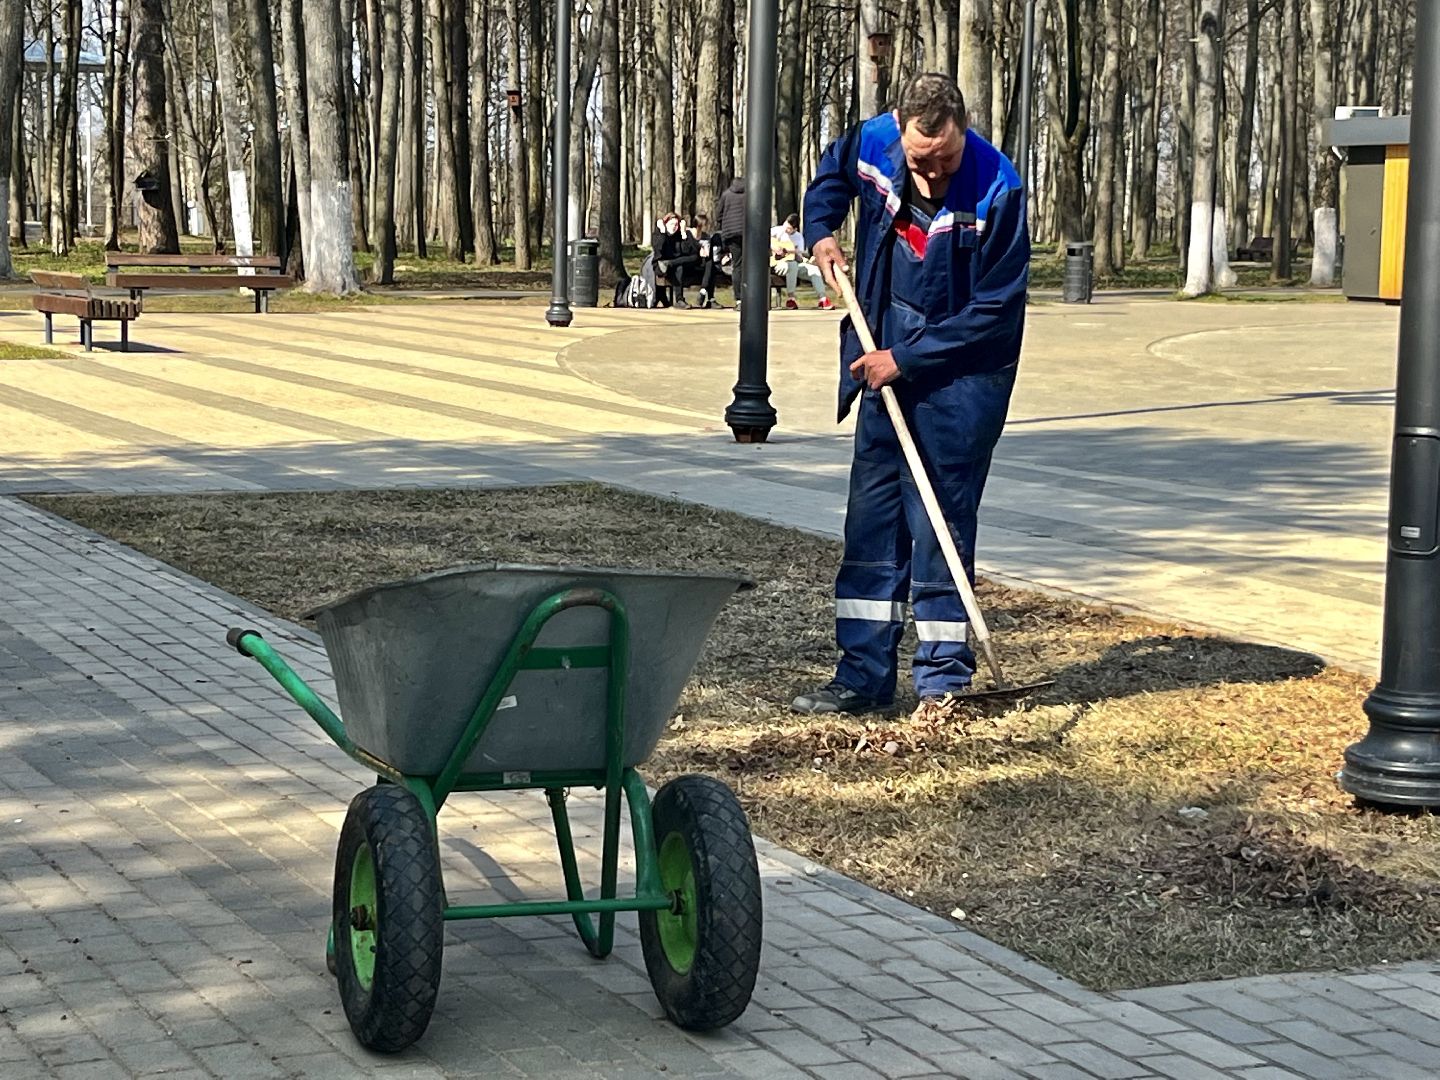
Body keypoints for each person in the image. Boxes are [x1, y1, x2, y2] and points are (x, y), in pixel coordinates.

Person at [790, 71, 1029, 716]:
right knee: (872, 527)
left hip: (961, 380)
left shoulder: (999, 186)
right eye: (921, 162)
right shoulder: (871, 141)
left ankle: (942, 681)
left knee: (939, 526)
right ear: (899, 131)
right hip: (881, 357)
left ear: (963, 131)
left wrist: (907, 358)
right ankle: (861, 677)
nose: (931, 175)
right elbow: (829, 180)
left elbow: (995, 310)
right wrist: (821, 232)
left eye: (945, 159)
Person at [770, 213, 835, 310]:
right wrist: (774, 247)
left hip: (794, 263)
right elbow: (762, 237)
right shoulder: (776, 230)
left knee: (813, 270)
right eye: (785, 225)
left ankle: (823, 299)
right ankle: (791, 299)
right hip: (777, 264)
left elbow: (799, 257)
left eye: (789, 229)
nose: (785, 230)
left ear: (795, 229)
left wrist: (794, 253)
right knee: (792, 265)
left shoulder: (798, 237)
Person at [716, 177, 746, 304]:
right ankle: (749, 297)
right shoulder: (749, 195)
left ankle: (739, 299)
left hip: (731, 234)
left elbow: (718, 215)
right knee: (749, 264)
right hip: (747, 233)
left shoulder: (726, 194)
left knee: (737, 265)